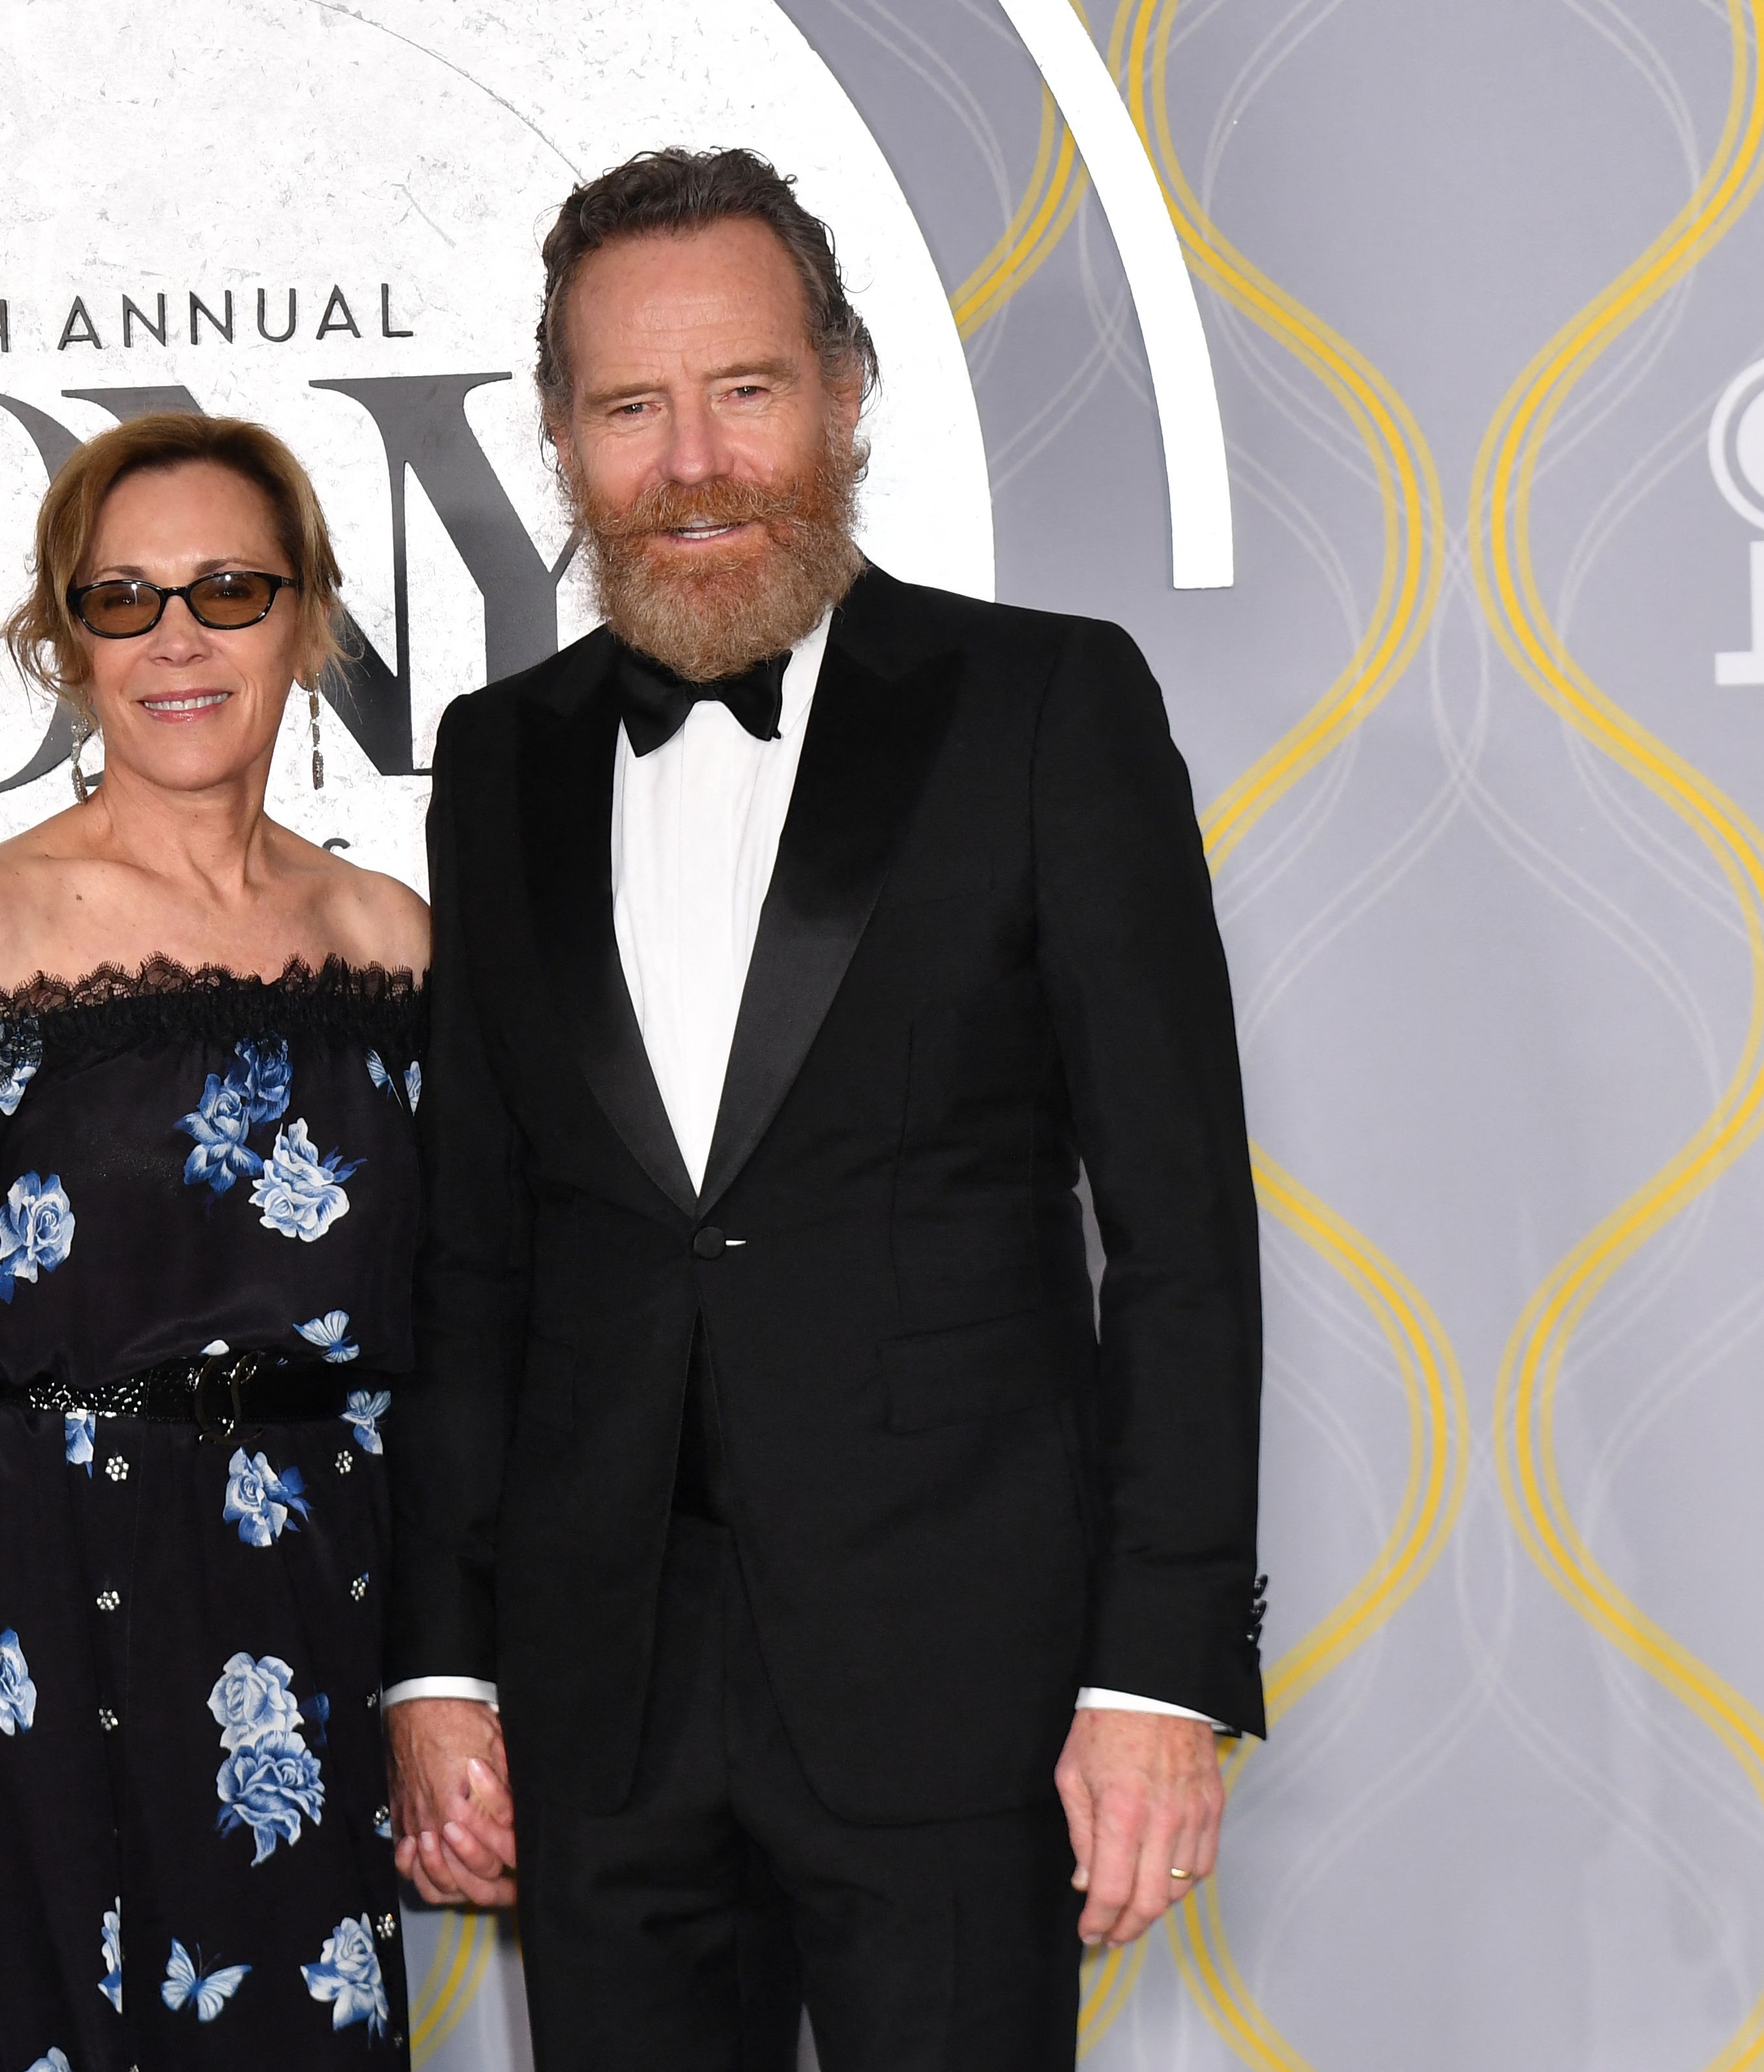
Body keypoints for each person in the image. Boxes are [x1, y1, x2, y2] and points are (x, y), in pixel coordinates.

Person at [385, 147, 1269, 2069]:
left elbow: (1184, 1238)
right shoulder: (496, 760)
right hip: (598, 1684)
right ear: (560, 437)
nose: (690, 461)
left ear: (848, 393)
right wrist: (441, 1655)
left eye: (745, 391)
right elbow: (474, 1248)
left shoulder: (1045, 706)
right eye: (629, 407)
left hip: (957, 1669)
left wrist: (1159, 1671)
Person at [0, 413, 428, 2071]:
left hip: (312, 1634)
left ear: (310, 616)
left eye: (227, 588)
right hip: (40, 1642)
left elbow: (448, 1354)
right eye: (123, 600)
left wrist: (449, 1689)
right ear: (68, 640)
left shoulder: (393, 940)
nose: (179, 639)